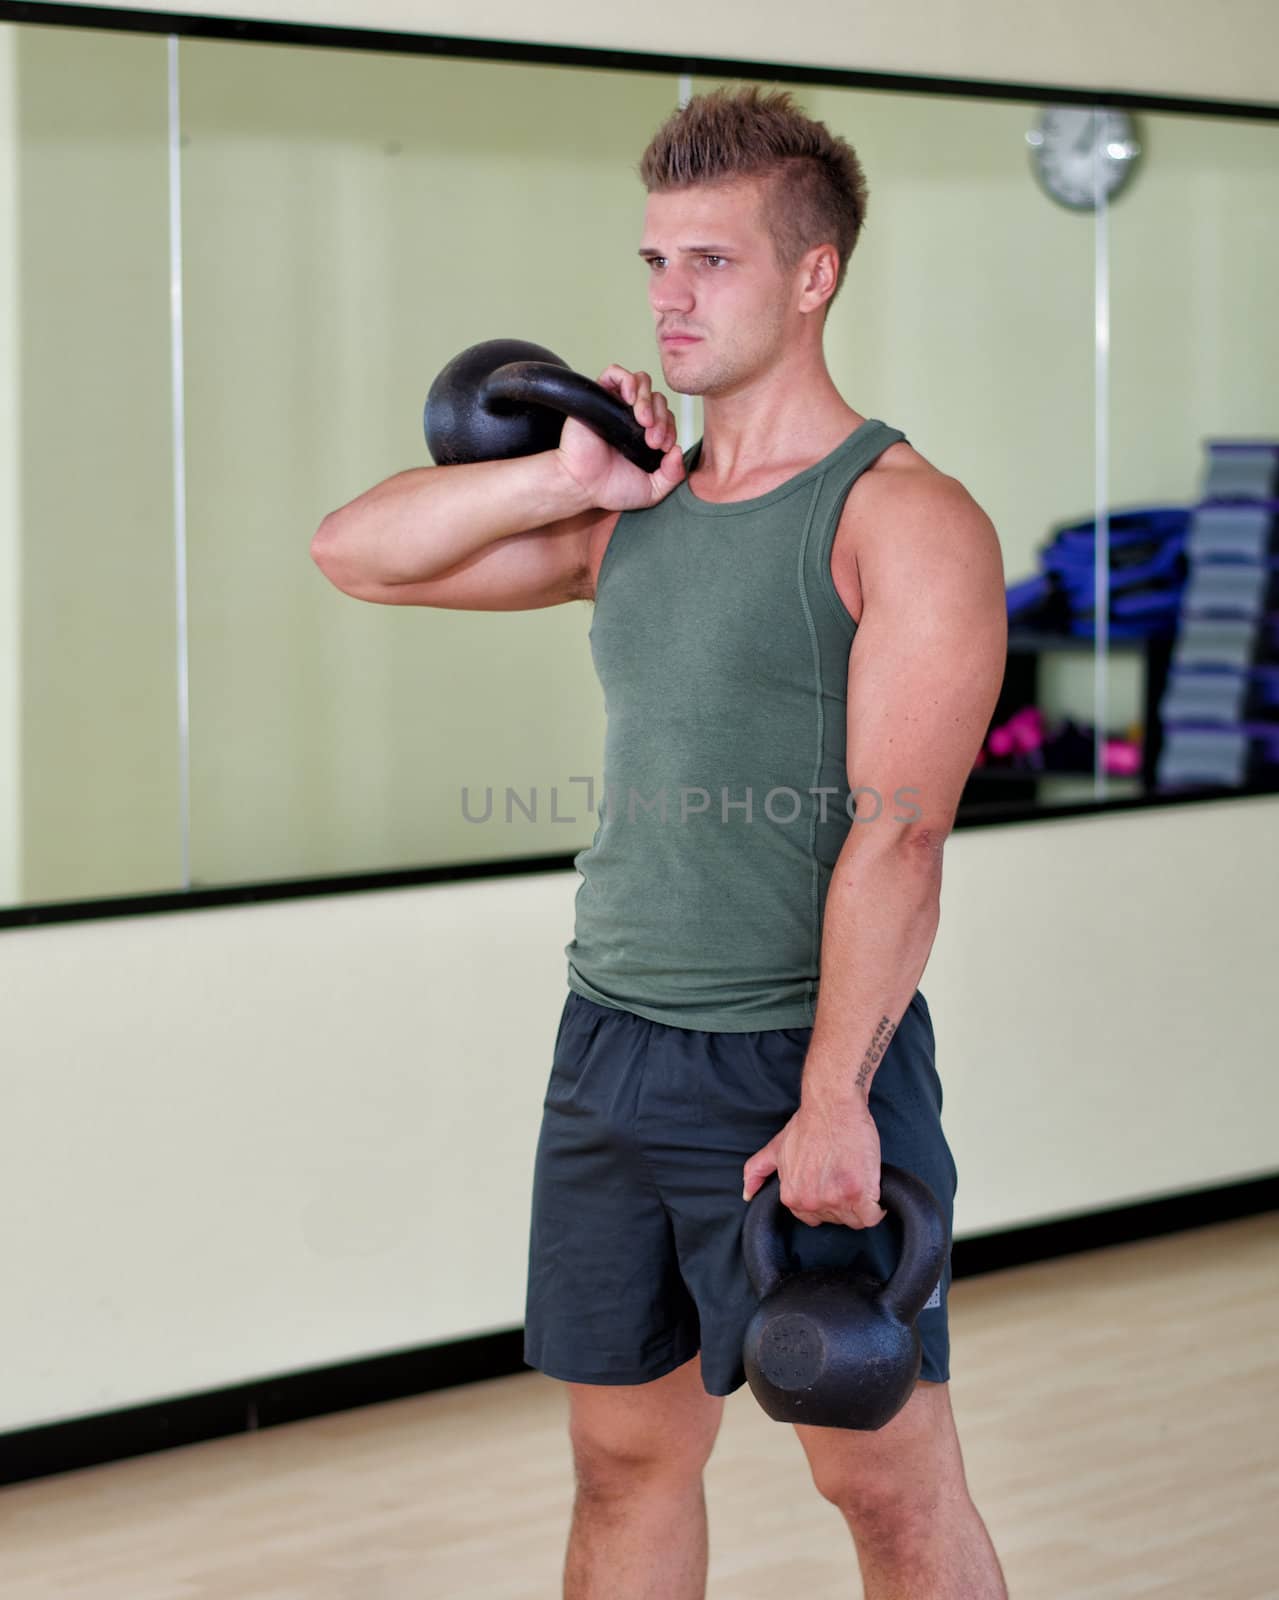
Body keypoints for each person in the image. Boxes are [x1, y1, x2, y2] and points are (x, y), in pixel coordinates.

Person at [313, 85, 1008, 1600]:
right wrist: (561, 477)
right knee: (623, 1463)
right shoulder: (640, 513)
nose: (670, 298)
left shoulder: (903, 520)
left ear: (813, 275)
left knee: (883, 1487)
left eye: (713, 262)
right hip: (612, 1044)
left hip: (795, 1064)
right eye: (654, 263)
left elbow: (903, 841)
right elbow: (354, 553)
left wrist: (838, 1098)